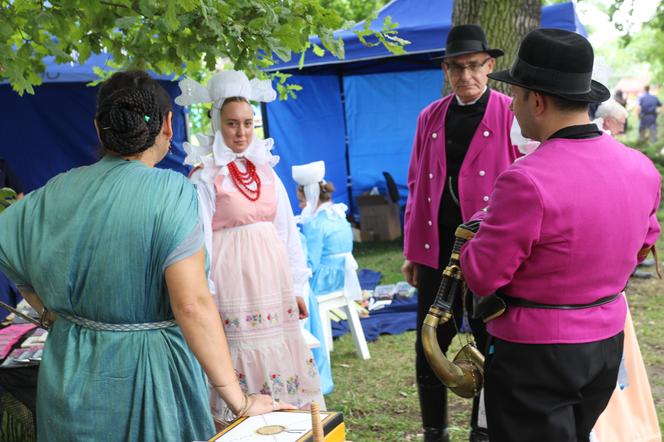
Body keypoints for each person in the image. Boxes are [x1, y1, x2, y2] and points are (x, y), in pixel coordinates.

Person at [0, 71, 284, 442]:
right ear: (168, 125)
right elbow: (192, 304)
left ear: (99, 129)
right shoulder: (172, 192)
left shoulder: (53, 191)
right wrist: (238, 399)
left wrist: (45, 307)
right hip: (152, 375)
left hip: (68, 375)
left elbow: (7, 242)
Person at [460, 29, 661, 441]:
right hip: (605, 344)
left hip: (535, 355)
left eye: (515, 97)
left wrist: (469, 241)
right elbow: (643, 245)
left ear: (537, 100)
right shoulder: (641, 168)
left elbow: (482, 275)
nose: (512, 108)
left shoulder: (526, 180)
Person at [176, 71, 324, 424]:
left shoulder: (267, 172)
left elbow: (287, 233)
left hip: (271, 279)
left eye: (247, 123)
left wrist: (297, 286)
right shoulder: (206, 175)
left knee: (278, 350)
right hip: (233, 281)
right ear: (217, 124)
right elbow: (201, 241)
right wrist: (206, 292)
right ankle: (241, 418)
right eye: (232, 124)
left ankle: (284, 420)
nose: (241, 132)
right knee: (238, 348)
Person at [401, 24, 520, 442]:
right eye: (456, 68)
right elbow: (417, 184)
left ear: (489, 66)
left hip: (489, 248)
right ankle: (435, 429)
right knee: (429, 341)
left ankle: (482, 429)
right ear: (446, 70)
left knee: (490, 340)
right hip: (437, 248)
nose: (466, 76)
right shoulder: (429, 116)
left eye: (473, 66)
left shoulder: (510, 111)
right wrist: (412, 251)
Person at [292, 160, 364, 395]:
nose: (300, 204)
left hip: (326, 278)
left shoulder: (315, 224)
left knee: (299, 290)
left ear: (309, 198)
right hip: (343, 274)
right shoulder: (337, 213)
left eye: (301, 200)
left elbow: (310, 263)